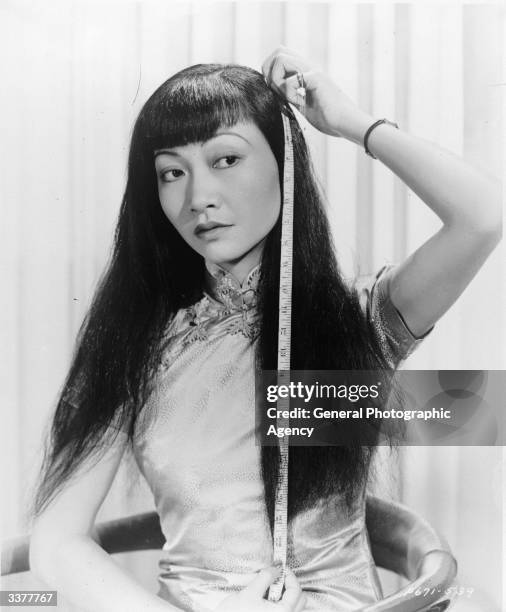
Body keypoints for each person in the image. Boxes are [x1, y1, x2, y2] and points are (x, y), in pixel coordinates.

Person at [28, 47, 501, 612]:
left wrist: (353, 124)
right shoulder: (133, 344)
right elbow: (56, 543)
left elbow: (483, 215)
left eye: (226, 159)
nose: (198, 196)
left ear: (284, 164)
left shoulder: (358, 320)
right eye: (172, 172)